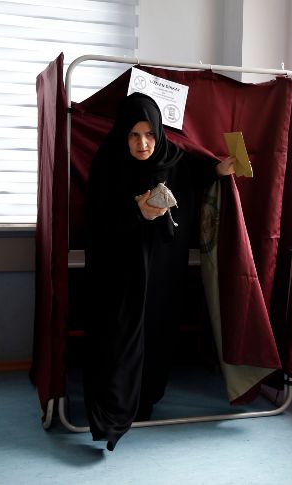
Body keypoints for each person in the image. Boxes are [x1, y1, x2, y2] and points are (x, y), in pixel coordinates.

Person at [84, 91, 235, 451]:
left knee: (158, 328)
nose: (143, 143)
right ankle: (112, 416)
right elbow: (96, 221)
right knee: (119, 336)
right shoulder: (108, 165)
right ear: (123, 135)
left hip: (164, 266)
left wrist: (219, 169)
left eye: (149, 134)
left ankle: (145, 401)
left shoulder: (173, 158)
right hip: (120, 267)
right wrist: (135, 212)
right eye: (134, 135)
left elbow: (199, 174)